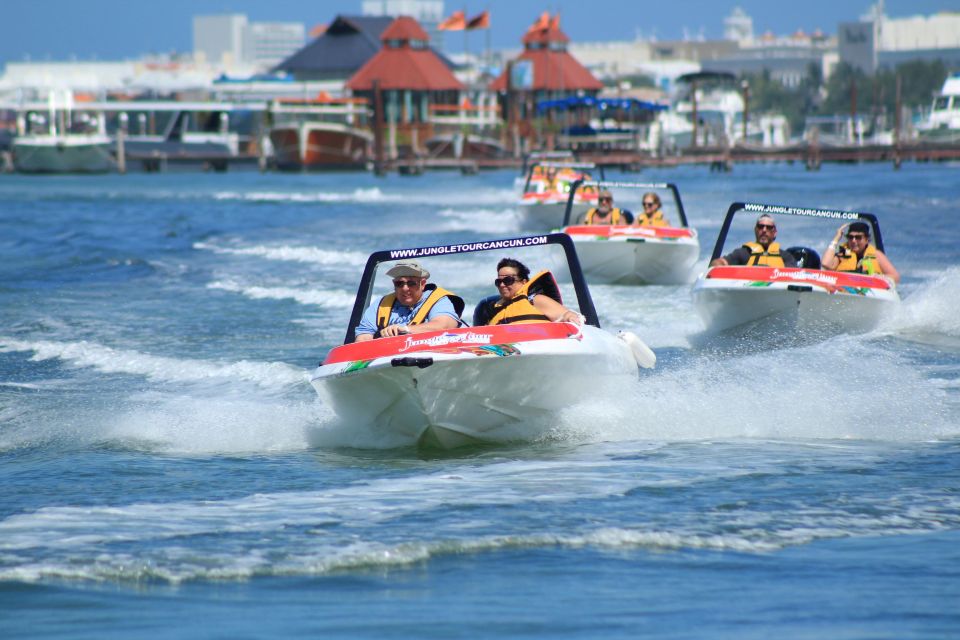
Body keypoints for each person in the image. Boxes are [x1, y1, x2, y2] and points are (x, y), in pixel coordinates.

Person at [354, 261, 463, 342]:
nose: (405, 288)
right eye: (399, 284)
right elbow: (363, 337)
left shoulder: (438, 300)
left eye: (411, 283)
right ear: (394, 284)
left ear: (423, 284)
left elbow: (445, 326)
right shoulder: (380, 305)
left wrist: (405, 329)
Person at [473, 258, 583, 326]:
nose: (502, 285)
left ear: (524, 282)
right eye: (499, 281)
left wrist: (570, 317)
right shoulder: (489, 310)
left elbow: (565, 314)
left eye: (508, 280)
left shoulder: (535, 300)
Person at [821, 221, 900, 283]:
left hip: (869, 291)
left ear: (866, 239)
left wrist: (879, 278)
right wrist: (836, 239)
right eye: (850, 237)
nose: (853, 241)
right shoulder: (844, 253)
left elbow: (895, 277)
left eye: (858, 237)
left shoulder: (876, 255)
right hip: (844, 289)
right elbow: (825, 263)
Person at [710, 214, 797, 267]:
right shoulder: (743, 253)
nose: (764, 230)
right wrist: (717, 264)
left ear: (774, 233)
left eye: (769, 227)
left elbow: (794, 274)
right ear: (755, 230)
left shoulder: (785, 256)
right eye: (760, 226)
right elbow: (720, 262)